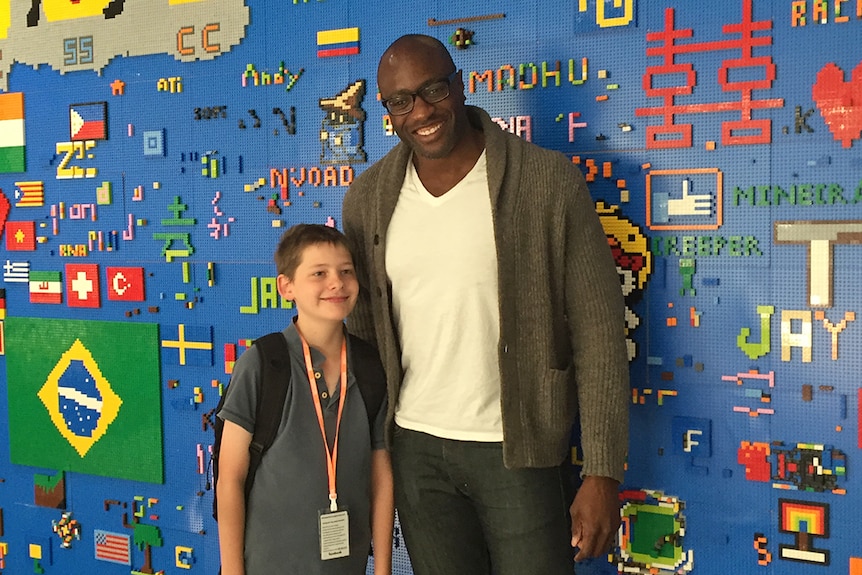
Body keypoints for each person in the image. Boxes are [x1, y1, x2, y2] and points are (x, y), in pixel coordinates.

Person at [342, 34, 629, 575]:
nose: (421, 111)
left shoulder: (547, 182)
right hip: (415, 449)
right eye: (400, 101)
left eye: (432, 90)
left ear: (460, 84)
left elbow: (599, 330)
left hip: (518, 447)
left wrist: (602, 472)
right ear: (387, 112)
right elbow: (362, 341)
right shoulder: (368, 199)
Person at [216, 224, 394, 575]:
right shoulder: (264, 363)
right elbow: (230, 479)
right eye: (319, 273)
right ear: (287, 287)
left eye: (346, 271)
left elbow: (381, 475)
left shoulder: (371, 366)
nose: (336, 283)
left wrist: (384, 567)